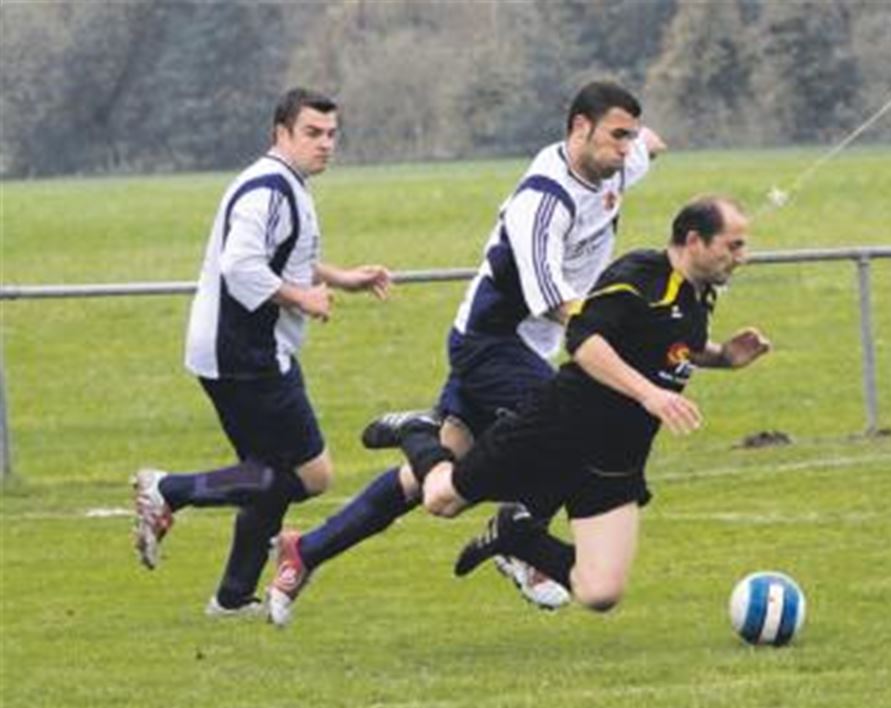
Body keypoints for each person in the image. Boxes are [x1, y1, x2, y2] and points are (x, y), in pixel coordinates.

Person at [266, 80, 666, 624]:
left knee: (433, 481)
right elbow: (550, 302)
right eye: (617, 137)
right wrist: (625, 332)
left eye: (630, 138)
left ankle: (306, 549)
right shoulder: (541, 203)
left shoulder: (613, 163)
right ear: (579, 128)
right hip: (491, 342)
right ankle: (520, 538)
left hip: (518, 349)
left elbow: (648, 146)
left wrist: (646, 144)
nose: (625, 149)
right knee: (572, 427)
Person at [268, 195, 769, 624]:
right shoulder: (640, 276)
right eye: (734, 245)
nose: (742, 257)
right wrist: (648, 394)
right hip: (558, 426)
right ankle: (419, 431)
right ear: (693, 240)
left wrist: (723, 356)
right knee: (440, 498)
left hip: (617, 458)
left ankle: (515, 534)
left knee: (600, 592)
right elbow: (584, 340)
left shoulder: (699, 294)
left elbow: (672, 345)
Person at [132, 88, 392, 617]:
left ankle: (232, 598)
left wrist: (341, 278)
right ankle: (170, 490)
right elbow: (241, 265)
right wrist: (303, 298)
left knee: (265, 475)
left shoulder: (286, 185)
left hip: (238, 352)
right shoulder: (269, 189)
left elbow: (286, 256)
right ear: (281, 133)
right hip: (245, 355)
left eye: (331, 134)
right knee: (311, 475)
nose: (325, 145)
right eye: (312, 134)